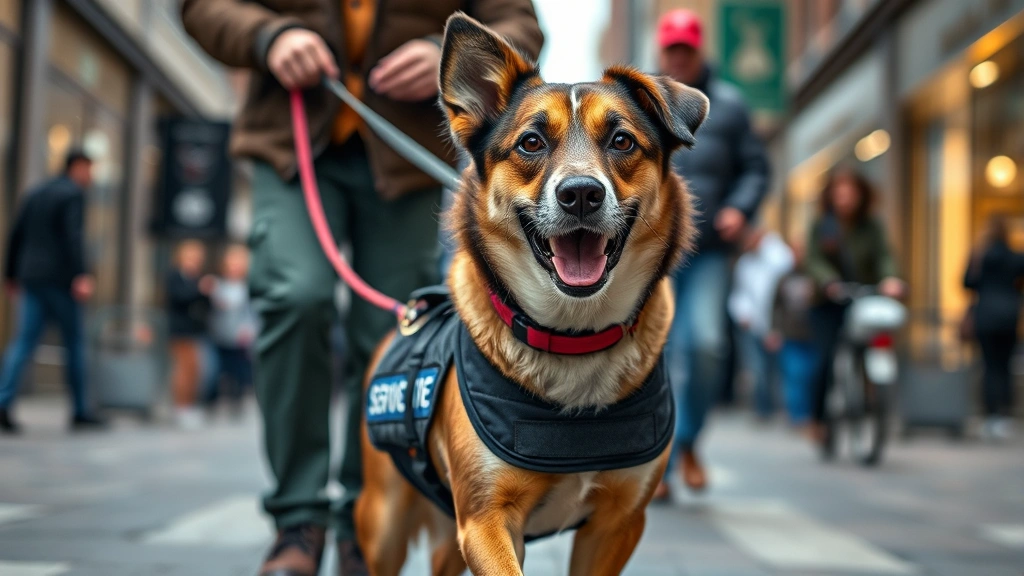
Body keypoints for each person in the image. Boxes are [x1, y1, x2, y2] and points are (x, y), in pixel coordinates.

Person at [180, 3, 543, 575]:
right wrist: (268, 36)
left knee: (392, 338)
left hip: (403, 158)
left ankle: (362, 522)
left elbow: (519, 24)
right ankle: (297, 518)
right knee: (296, 297)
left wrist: (445, 53)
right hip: (291, 144)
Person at [654, 9, 770, 499]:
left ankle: (689, 441)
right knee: (650, 354)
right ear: (662, 51)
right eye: (671, 49)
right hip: (653, 253)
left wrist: (741, 209)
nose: (679, 57)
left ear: (700, 50)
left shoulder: (730, 105)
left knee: (702, 346)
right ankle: (655, 462)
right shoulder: (641, 99)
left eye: (687, 49)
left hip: (708, 252)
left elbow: (758, 169)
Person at [0, 150, 104, 434]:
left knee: (23, 341)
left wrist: (10, 274)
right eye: (89, 169)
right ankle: (81, 410)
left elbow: (16, 233)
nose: (91, 177)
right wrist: (81, 274)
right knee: (75, 342)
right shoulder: (72, 194)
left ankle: (3, 401)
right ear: (78, 166)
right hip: (60, 280)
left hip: (30, 276)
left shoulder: (35, 192)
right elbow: (73, 236)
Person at [805, 168, 904, 444]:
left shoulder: (872, 226)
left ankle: (873, 397)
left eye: (850, 194)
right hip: (828, 302)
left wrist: (889, 279)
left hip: (864, 298)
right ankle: (818, 418)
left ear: (862, 195)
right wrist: (828, 281)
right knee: (824, 359)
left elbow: (885, 256)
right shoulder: (822, 226)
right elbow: (813, 260)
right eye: (840, 194)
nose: (845, 199)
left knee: (872, 343)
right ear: (831, 196)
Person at [964, 216, 1024, 440]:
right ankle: (1005, 415)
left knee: (989, 366)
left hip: (985, 315)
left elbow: (967, 283)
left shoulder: (980, 255)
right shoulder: (1015, 256)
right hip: (1009, 316)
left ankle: (990, 416)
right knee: (1005, 367)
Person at [728, 226, 794, 420]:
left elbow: (779, 296)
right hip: (754, 325)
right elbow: (741, 294)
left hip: (777, 324)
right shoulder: (745, 263)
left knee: (779, 368)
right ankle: (763, 407)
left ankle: (781, 407)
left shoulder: (780, 257)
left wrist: (775, 327)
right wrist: (743, 314)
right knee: (757, 368)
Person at [768, 241, 817, 427]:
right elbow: (775, 306)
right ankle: (798, 415)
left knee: (810, 375)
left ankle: (810, 412)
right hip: (790, 336)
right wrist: (774, 330)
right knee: (794, 374)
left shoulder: (816, 276)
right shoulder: (784, 278)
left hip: (812, 335)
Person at [166, 240, 213, 431]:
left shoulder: (195, 278)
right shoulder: (175, 276)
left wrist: (206, 293)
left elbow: (204, 305)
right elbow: (180, 297)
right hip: (180, 330)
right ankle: (181, 408)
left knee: (195, 370)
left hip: (196, 330)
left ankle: (189, 405)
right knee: (184, 370)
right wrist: (199, 289)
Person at [206, 245, 256, 415]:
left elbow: (251, 312)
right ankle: (212, 400)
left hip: (239, 338)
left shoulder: (248, 287)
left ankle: (236, 400)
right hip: (218, 334)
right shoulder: (217, 285)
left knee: (239, 371)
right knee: (215, 369)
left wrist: (249, 330)